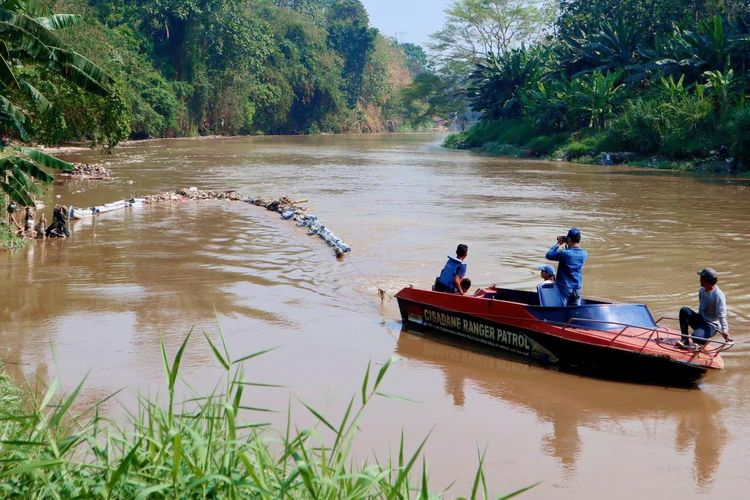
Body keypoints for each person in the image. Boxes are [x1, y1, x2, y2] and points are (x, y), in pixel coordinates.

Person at [677, 268, 732, 348]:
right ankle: (685, 340)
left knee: (695, 337)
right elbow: (701, 309)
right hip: (701, 320)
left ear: (706, 280)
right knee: (684, 310)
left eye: (701, 278)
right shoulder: (702, 290)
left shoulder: (718, 295)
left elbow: (722, 314)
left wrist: (725, 330)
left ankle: (703, 341)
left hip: (711, 325)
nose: (700, 279)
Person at [546, 228, 588, 306]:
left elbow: (549, 255)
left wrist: (558, 243)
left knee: (559, 310)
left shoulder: (565, 253)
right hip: (577, 288)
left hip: (565, 287)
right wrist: (567, 242)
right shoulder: (584, 254)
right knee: (575, 311)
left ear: (569, 239)